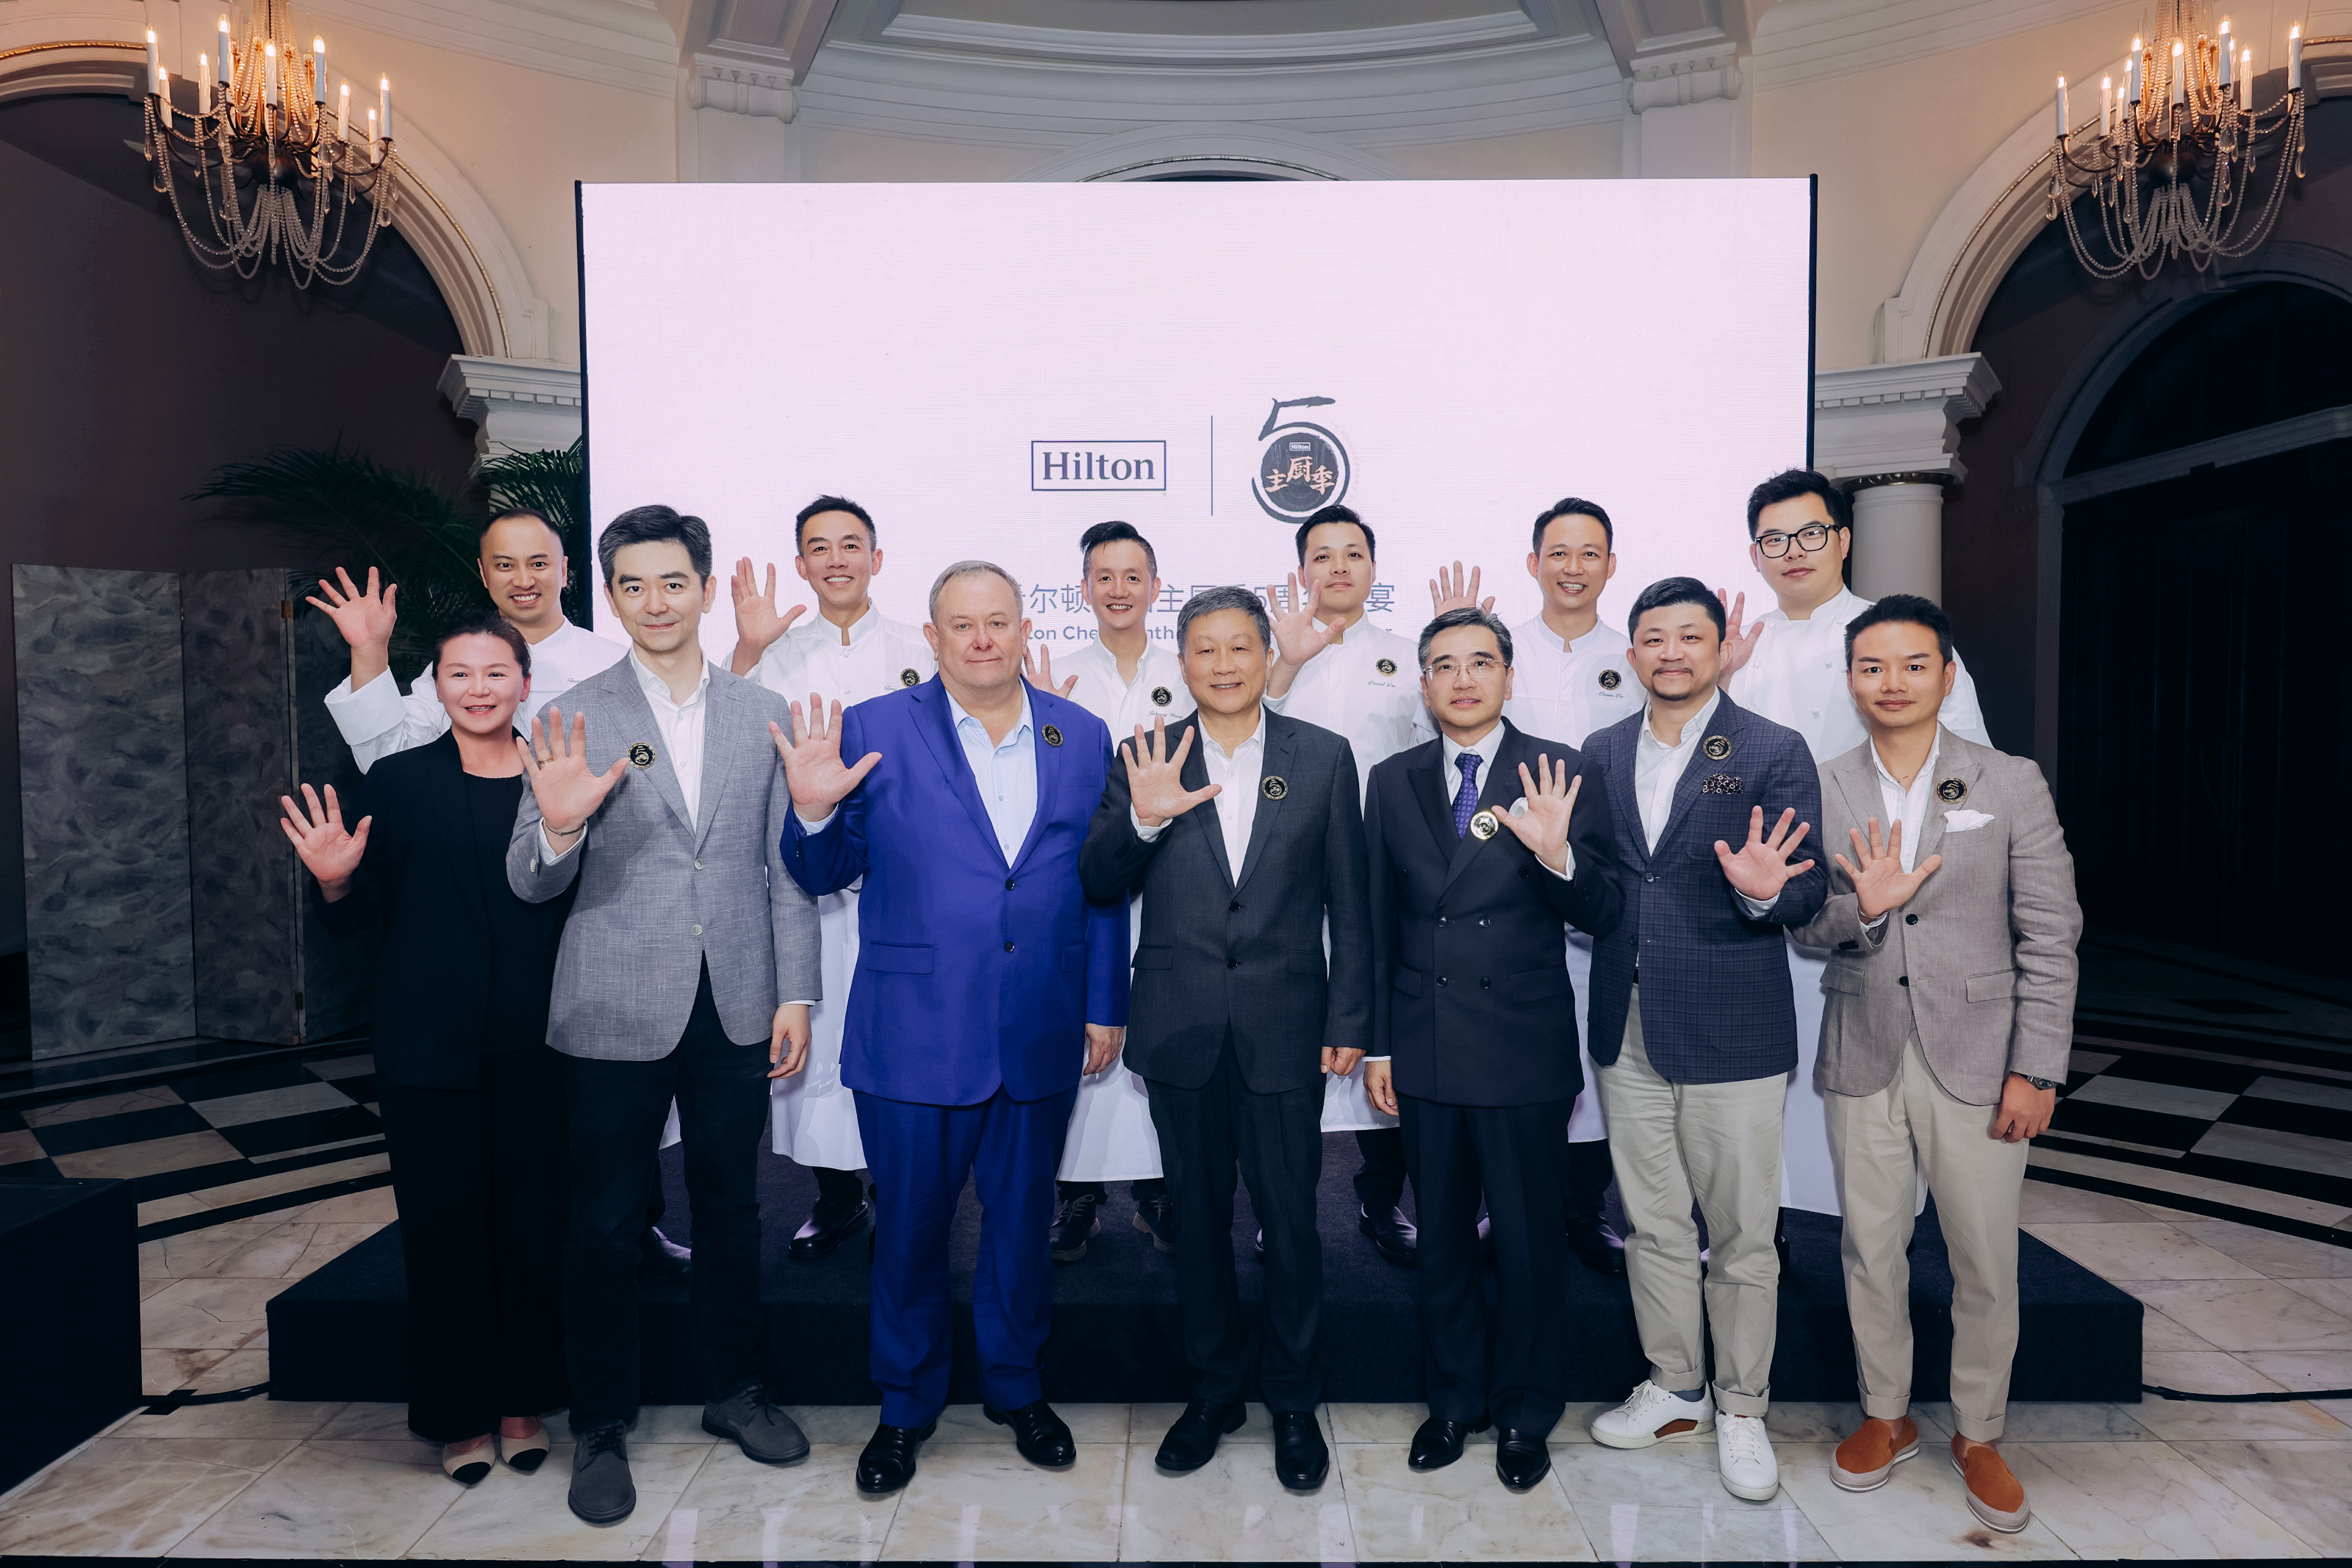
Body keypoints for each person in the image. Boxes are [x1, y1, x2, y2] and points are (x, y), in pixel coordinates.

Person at [775, 561, 1129, 1497]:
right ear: (930, 637)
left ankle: (1018, 1387)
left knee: (1020, 1228)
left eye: (998, 622)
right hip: (913, 1030)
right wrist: (811, 811)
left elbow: (1099, 882)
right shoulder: (871, 728)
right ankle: (904, 1405)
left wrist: (1104, 1001)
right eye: (961, 625)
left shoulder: (1080, 733)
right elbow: (823, 873)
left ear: (1024, 630)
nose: (982, 640)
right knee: (908, 1233)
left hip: (1040, 1022)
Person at [507, 505, 820, 1526]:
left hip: (735, 1000)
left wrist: (795, 991)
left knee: (732, 1210)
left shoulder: (761, 708)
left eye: (673, 582)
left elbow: (784, 870)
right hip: (611, 1002)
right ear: (611, 596)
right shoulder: (570, 713)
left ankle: (736, 1388)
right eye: (633, 585)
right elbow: (528, 878)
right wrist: (558, 830)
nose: (655, 602)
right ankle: (601, 1423)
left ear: (704, 587)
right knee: (603, 1223)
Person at [308, 512, 686, 1281]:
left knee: (582, 1170)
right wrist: (369, 653)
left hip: (578, 960)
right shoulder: (436, 713)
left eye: (538, 562)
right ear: (484, 575)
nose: (523, 577)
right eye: (505, 564)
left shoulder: (612, 659)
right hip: (450, 1002)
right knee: (473, 1212)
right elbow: (393, 761)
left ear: (565, 571)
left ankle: (634, 1232)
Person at [1793, 594, 2079, 1533]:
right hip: (1862, 1046)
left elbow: (2051, 933)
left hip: (1982, 1055)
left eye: (1913, 664)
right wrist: (1864, 909)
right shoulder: (1823, 783)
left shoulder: (2009, 780)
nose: (1892, 682)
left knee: (1983, 1257)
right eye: (1872, 666)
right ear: (1850, 680)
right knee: (1868, 1248)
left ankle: (1978, 1430)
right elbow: (1806, 925)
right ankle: (1886, 1415)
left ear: (1946, 676)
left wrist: (2036, 1067)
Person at [1080, 585, 1370, 1492]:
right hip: (1181, 1024)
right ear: (1182, 662)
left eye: (1239, 646)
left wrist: (1349, 1017)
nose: (1223, 664)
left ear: (1264, 654)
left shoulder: (1322, 755)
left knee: (1291, 1224)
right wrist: (1142, 818)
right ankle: (1212, 1392)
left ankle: (1293, 1398)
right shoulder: (1144, 754)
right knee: (1195, 1227)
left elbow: (1350, 900)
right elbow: (1096, 878)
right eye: (1203, 649)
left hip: (1287, 1025)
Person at [282, 619, 570, 1486]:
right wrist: (335, 878)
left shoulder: (557, 776)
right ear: (435, 688)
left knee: (531, 1230)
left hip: (542, 1046)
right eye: (460, 674)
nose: (479, 689)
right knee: (443, 1236)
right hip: (427, 1050)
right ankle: (456, 1416)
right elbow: (355, 918)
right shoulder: (398, 782)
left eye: (496, 672)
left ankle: (523, 1401)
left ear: (525, 683)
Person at [1360, 606, 1624, 1491]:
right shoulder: (1391, 779)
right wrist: (1377, 1044)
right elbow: (1377, 920)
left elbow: (1604, 910)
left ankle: (1524, 1411)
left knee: (1526, 1243)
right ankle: (1452, 1401)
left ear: (1509, 676)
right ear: (1423, 683)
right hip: (1423, 1042)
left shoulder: (1559, 769)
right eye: (1443, 664)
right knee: (1439, 1239)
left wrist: (1557, 859)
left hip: (1519, 1045)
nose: (1462, 678)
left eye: (1480, 661)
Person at [1580, 577, 1826, 1504]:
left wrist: (1766, 890)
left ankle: (1742, 1405)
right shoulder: (1601, 750)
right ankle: (1675, 1385)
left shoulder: (1770, 747)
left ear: (1721, 648)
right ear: (1630, 654)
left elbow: (1807, 889)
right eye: (1653, 637)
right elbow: (1603, 882)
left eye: (1690, 636)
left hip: (1731, 1025)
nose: (1671, 652)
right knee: (1650, 1223)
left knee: (1741, 1233)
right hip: (1625, 1020)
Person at [1716, 470, 1992, 1220]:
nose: (1792, 552)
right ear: (1754, 555)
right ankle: (1760, 1229)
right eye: (1774, 539)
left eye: (1809, 533)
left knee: (1868, 1082)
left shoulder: (1893, 634)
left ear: (1842, 540)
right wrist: (1716, 689)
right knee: (1759, 1078)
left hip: (1867, 891)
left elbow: (1966, 764)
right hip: (1759, 895)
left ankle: (1877, 1238)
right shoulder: (1737, 647)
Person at [728, 495, 934, 1262]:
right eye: (820, 547)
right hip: (805, 876)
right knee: (813, 1034)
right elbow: (728, 740)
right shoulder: (771, 653)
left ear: (876, 559)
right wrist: (746, 652)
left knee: (901, 1035)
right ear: (802, 564)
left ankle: (902, 1196)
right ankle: (838, 1195)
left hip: (904, 879)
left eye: (851, 545)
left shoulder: (922, 646)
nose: (837, 559)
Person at [1261, 504, 1432, 1266]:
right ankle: (1279, 1211)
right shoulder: (1271, 655)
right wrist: (1284, 667)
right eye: (1322, 555)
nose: (1337, 567)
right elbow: (1240, 731)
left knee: (1380, 1036)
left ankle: (1380, 1198)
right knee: (1286, 1043)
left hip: (1384, 873)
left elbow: (1434, 757)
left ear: (1373, 568)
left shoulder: (1407, 655)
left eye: (1352, 553)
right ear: (1302, 571)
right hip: (1286, 875)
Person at [1028, 520, 1188, 1261]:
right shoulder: (1047, 672)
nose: (1118, 590)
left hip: (1175, 878)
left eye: (1132, 576)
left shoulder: (1192, 669)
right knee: (1081, 1038)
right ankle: (1078, 1196)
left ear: (1155, 587)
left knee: (1160, 1030)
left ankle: (1158, 1190)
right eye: (1104, 576)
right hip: (1080, 883)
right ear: (1084, 588)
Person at [1505, 497, 1643, 1276]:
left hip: (1596, 882)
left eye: (1590, 553)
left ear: (1611, 566)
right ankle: (1504, 1206)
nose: (1573, 567)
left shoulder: (1637, 657)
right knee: (1505, 1052)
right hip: (1503, 885)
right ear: (1533, 563)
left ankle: (1583, 1209)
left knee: (1596, 1058)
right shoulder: (1500, 652)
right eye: (1558, 552)